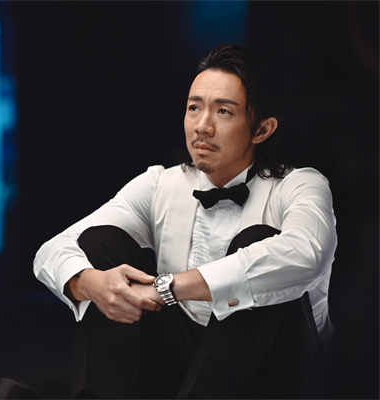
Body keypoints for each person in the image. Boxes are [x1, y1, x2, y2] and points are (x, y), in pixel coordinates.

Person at [33, 44, 337, 398]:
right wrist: (94, 284)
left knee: (258, 240)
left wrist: (169, 287)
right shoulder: (161, 184)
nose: (202, 127)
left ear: (262, 129)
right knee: (100, 244)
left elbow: (307, 254)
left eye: (223, 111)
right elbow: (52, 251)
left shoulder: (301, 185)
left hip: (276, 371)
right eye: (194, 108)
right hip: (180, 362)